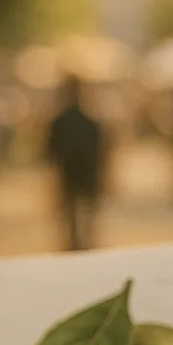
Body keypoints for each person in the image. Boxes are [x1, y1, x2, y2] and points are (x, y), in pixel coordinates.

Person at [45, 77, 106, 251]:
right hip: (84, 174)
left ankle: (75, 243)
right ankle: (83, 243)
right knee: (84, 213)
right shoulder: (90, 122)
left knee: (72, 213)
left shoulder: (59, 122)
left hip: (70, 174)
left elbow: (51, 151)